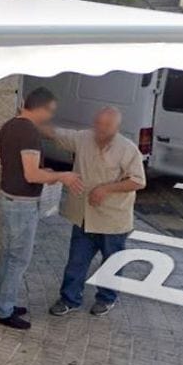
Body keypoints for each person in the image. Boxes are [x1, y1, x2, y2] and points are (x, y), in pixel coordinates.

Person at [0, 87, 84, 330]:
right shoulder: (29, 132)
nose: (50, 117)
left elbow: (6, 162)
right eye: (50, 111)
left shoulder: (9, 125)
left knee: (9, 257)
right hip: (21, 204)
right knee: (17, 259)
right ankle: (3, 311)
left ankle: (3, 303)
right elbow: (31, 175)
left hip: (8, 198)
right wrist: (62, 176)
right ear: (41, 108)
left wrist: (47, 173)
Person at [42, 106, 146, 317]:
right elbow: (55, 133)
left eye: (107, 125)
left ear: (117, 127)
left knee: (111, 263)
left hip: (113, 219)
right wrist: (30, 118)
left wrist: (105, 189)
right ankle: (69, 299)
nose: (101, 129)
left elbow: (138, 181)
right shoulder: (83, 138)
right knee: (76, 261)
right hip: (84, 216)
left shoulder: (127, 148)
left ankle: (107, 298)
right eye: (98, 123)